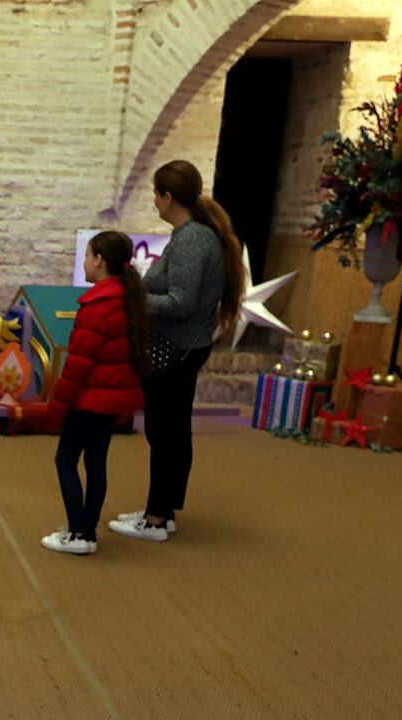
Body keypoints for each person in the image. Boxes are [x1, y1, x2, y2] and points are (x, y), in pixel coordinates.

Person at [109, 159, 245, 542]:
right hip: (182, 345)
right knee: (169, 431)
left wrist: (132, 298)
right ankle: (163, 511)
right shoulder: (194, 236)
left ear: (168, 197)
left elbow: (181, 301)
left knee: (165, 432)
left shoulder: (192, 240)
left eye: (155, 194)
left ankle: (154, 518)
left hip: (177, 348)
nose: (153, 201)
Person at [41, 231, 149, 555]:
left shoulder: (96, 306)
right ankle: (87, 529)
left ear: (100, 260)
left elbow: (77, 366)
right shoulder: (128, 301)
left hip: (86, 402)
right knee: (96, 464)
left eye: (87, 256)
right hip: (109, 405)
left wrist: (56, 408)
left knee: (65, 460)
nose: (85, 263)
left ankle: (78, 533)